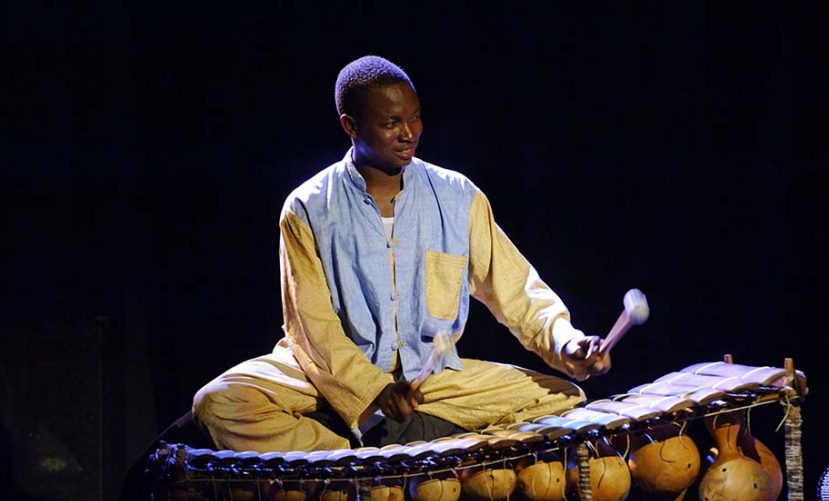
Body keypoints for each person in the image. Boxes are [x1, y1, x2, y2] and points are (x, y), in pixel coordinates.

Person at [192, 55, 611, 452]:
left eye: (414, 117)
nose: (409, 132)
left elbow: (516, 291)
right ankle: (356, 461)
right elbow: (312, 328)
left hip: (433, 383)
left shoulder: (457, 197)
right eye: (391, 123)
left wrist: (567, 343)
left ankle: (405, 448)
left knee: (562, 398)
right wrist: (372, 390)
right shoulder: (307, 208)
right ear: (351, 126)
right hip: (325, 376)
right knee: (220, 402)